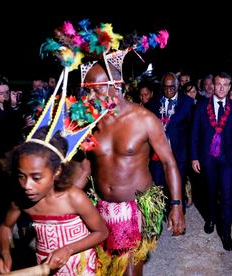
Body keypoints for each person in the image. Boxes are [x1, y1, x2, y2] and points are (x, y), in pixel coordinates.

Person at [76, 63, 185, 275]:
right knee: (102, 268)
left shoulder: (145, 119)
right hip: (100, 207)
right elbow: (86, 166)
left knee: (130, 271)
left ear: (115, 86)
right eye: (87, 90)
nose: (89, 96)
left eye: (95, 89)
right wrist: (65, 198)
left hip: (134, 210)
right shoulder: (91, 122)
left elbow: (168, 162)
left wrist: (176, 205)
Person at [0, 126, 108, 275]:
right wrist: (5, 253)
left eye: (36, 178)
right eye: (21, 176)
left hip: (80, 265)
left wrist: (68, 249)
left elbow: (101, 232)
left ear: (57, 171)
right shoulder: (20, 199)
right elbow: (5, 227)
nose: (27, 186)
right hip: (44, 264)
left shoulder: (74, 197)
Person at [191, 72, 232, 251]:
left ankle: (226, 233)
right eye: (218, 84)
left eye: (225, 85)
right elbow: (195, 132)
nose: (221, 88)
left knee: (227, 196)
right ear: (213, 85)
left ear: (229, 87)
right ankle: (211, 218)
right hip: (208, 157)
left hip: (227, 159)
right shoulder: (202, 106)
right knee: (210, 191)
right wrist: (194, 157)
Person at [147, 72, 195, 211]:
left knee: (177, 184)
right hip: (157, 153)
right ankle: (161, 213)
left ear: (177, 86)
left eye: (172, 87)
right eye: (166, 87)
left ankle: (179, 217)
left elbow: (192, 131)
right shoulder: (153, 103)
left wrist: (191, 156)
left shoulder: (187, 102)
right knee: (158, 183)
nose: (169, 91)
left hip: (179, 153)